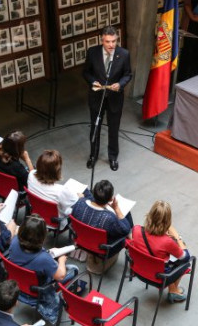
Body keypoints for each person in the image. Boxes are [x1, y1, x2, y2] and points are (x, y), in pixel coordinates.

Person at [8, 214, 78, 325]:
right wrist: (61, 261)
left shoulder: (14, 241)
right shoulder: (44, 259)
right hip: (37, 292)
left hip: (17, 286)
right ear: (42, 237)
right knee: (74, 269)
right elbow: (60, 276)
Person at [83, 26, 132, 171]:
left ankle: (113, 157)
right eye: (107, 42)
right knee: (95, 127)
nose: (111, 45)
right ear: (101, 40)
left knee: (114, 129)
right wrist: (92, 82)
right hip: (97, 97)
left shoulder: (124, 54)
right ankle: (93, 156)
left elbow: (128, 74)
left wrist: (120, 84)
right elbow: (86, 72)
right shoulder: (92, 53)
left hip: (115, 98)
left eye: (114, 41)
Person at [131, 200, 190, 303]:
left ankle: (173, 290)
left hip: (139, 269)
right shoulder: (167, 242)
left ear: (150, 215)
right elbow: (185, 257)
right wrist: (177, 237)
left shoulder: (136, 229)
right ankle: (173, 291)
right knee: (185, 262)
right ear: (167, 222)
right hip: (159, 277)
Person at [70, 179, 133, 273]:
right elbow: (125, 229)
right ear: (111, 199)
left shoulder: (79, 203)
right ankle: (133, 245)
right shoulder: (109, 218)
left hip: (81, 239)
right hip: (101, 248)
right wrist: (116, 208)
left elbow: (88, 200)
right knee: (126, 216)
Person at [27, 150, 85, 229]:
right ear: (56, 171)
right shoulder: (61, 191)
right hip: (56, 221)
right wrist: (81, 197)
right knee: (85, 194)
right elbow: (75, 203)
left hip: (37, 213)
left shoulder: (31, 175)